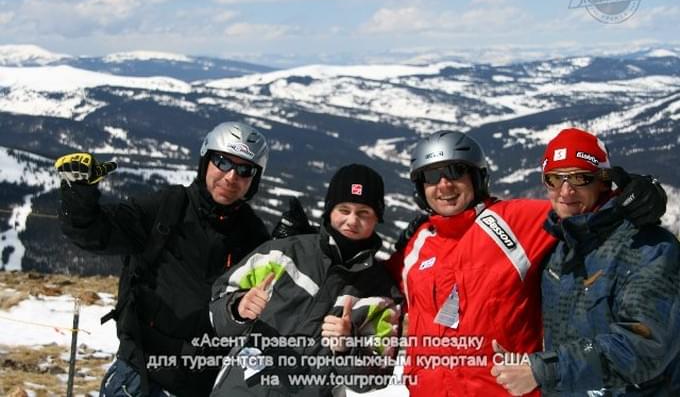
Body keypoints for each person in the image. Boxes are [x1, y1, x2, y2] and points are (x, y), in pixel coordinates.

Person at [386, 130, 667, 397]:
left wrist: (638, 192)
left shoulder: (515, 222)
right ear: (421, 188)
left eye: (455, 172)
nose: (444, 184)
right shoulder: (415, 244)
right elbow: (376, 284)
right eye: (432, 176)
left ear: (476, 177)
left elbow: (581, 209)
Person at [55, 121, 271, 397]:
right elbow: (94, 232)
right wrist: (78, 193)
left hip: (207, 382)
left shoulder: (253, 235)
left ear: (254, 180)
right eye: (222, 162)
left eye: (244, 169)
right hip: (141, 376)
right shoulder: (166, 209)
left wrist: (299, 242)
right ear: (205, 161)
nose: (231, 176)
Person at [491, 128, 680, 396]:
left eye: (580, 178)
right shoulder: (557, 245)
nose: (565, 191)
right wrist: (527, 359)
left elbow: (644, 346)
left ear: (604, 181)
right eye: (554, 178)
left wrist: (545, 370)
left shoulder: (646, 247)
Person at [208, 164, 403, 397]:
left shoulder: (382, 294)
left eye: (364, 213)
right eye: (344, 209)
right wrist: (237, 307)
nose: (352, 220)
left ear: (376, 218)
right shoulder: (281, 254)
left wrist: (347, 347)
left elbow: (374, 378)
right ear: (329, 210)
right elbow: (217, 309)